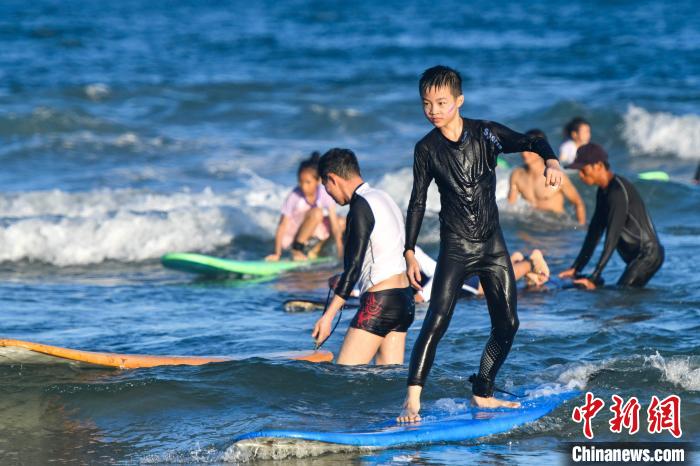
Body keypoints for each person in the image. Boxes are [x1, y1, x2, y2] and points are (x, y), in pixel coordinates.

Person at [398, 66, 564, 422]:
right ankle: (412, 399)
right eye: (427, 104)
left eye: (442, 102)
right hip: (456, 247)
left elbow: (531, 141)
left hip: (492, 246)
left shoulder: (486, 134)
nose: (434, 110)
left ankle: (483, 392)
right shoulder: (425, 149)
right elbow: (417, 202)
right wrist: (409, 250)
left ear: (459, 101)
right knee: (437, 319)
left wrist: (551, 160)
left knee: (508, 324)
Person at [312, 148, 415, 365]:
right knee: (387, 384)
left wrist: (327, 317)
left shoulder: (359, 207)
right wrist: (343, 278)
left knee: (344, 378)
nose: (328, 194)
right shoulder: (383, 197)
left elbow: (354, 269)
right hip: (404, 300)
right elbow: (382, 253)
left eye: (325, 186)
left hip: (380, 303)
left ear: (333, 178)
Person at [559, 143, 664, 289]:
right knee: (618, 295)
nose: (581, 175)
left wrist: (595, 276)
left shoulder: (617, 192)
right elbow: (594, 233)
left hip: (648, 256)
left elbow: (612, 238)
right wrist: (576, 268)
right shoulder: (603, 192)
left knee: (621, 295)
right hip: (636, 257)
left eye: (583, 170)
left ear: (599, 165)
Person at [266, 152, 345, 261]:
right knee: (317, 212)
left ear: (318, 181)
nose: (303, 186)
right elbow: (282, 225)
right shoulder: (294, 195)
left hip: (312, 235)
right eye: (300, 182)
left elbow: (335, 226)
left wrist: (341, 252)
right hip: (293, 235)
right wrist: (277, 253)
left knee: (341, 222)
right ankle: (297, 250)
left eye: (308, 182)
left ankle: (316, 251)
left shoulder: (324, 194)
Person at [415, 247, 551, 302]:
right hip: (447, 276)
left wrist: (422, 296)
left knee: (489, 286)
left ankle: (530, 263)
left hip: (451, 278)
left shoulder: (405, 250)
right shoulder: (403, 247)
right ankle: (514, 262)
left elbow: (438, 272)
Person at [508, 129, 586, 225]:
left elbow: (578, 203)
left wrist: (581, 229)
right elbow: (510, 206)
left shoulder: (556, 176)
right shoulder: (516, 175)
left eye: (529, 150)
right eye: (524, 148)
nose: (524, 153)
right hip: (530, 227)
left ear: (541, 149)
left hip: (555, 229)